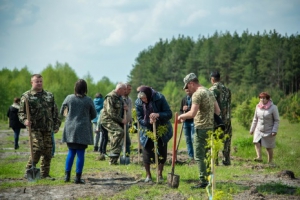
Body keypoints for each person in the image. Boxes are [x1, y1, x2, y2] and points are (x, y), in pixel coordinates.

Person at [178, 73, 220, 189]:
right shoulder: (209, 91)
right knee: (207, 154)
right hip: (210, 128)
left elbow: (192, 113)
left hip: (201, 128)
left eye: (187, 86)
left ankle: (203, 181)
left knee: (199, 155)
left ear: (192, 83)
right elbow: (217, 111)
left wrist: (181, 116)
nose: (187, 89)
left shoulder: (197, 94)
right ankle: (208, 178)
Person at [18, 74, 61, 180]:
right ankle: (29, 169)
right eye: (37, 81)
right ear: (31, 82)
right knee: (37, 149)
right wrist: (25, 120)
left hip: (47, 127)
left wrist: (56, 125)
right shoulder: (26, 96)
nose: (39, 83)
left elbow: (54, 112)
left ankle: (45, 174)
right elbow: (21, 113)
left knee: (48, 151)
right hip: (34, 128)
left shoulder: (49, 95)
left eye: (41, 81)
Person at [60, 79, 97, 184]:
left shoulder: (69, 98)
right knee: (80, 153)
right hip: (83, 128)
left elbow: (62, 112)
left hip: (70, 128)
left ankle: (67, 177)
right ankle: (77, 178)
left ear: (75, 88)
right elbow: (94, 115)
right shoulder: (88, 100)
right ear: (85, 88)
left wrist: (70, 116)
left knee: (71, 151)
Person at [135, 86, 173, 182]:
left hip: (161, 127)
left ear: (149, 95)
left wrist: (158, 115)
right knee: (146, 151)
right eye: (142, 99)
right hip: (147, 129)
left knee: (162, 150)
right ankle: (148, 175)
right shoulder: (138, 102)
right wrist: (148, 122)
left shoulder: (159, 97)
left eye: (145, 98)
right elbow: (139, 118)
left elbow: (169, 113)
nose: (144, 100)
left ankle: (159, 175)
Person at [100, 83, 127, 165]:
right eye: (124, 90)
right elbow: (110, 112)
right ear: (119, 89)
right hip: (107, 119)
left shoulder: (120, 98)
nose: (125, 92)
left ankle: (113, 160)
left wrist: (125, 107)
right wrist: (121, 120)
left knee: (115, 137)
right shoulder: (111, 97)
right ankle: (112, 158)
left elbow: (119, 109)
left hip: (115, 120)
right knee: (119, 132)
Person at [209, 71, 232, 166]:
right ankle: (226, 160)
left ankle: (215, 160)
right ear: (220, 78)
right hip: (227, 118)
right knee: (227, 139)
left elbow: (211, 105)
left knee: (215, 139)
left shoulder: (211, 90)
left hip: (217, 119)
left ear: (212, 79)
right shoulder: (227, 90)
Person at [250, 92, 279, 164]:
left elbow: (276, 120)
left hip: (269, 130)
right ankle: (259, 157)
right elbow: (255, 119)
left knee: (268, 147)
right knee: (256, 142)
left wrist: (274, 130)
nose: (262, 100)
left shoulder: (273, 108)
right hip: (259, 129)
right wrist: (252, 129)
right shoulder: (257, 106)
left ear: (268, 99)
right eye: (261, 98)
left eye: (264, 98)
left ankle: (270, 162)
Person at [179, 89, 194, 162]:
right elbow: (181, 110)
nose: (188, 91)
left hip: (193, 121)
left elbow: (195, 110)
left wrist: (188, 108)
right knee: (188, 139)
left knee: (193, 138)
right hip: (186, 122)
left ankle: (197, 155)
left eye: (189, 90)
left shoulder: (195, 98)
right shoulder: (184, 99)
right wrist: (181, 116)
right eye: (186, 90)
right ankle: (191, 156)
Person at [123, 83, 132, 157]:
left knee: (127, 141)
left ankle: (127, 156)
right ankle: (124, 156)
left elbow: (130, 111)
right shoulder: (120, 99)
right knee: (125, 141)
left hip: (127, 122)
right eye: (128, 89)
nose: (129, 91)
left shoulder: (129, 100)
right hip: (121, 122)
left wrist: (130, 120)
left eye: (130, 90)